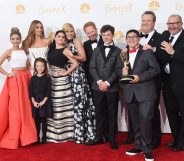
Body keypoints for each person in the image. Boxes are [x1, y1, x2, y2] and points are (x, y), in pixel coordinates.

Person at [122, 29, 160, 161]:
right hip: (130, 93)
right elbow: (118, 71)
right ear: (126, 39)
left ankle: (147, 149)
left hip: (146, 93)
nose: (131, 39)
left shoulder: (146, 52)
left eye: (134, 37)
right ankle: (138, 145)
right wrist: (122, 71)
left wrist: (140, 77)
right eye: (129, 37)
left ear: (138, 38)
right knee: (136, 122)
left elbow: (155, 69)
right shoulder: (123, 53)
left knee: (145, 121)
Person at [0, 27, 37, 149]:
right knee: (15, 109)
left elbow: (27, 65)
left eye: (17, 38)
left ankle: (27, 137)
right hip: (15, 80)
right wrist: (8, 74)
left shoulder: (24, 50)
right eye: (13, 39)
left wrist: (30, 76)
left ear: (20, 39)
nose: (16, 41)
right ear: (10, 40)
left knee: (26, 108)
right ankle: (15, 137)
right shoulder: (8, 52)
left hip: (25, 78)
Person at [88, 25, 122, 150]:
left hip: (111, 88)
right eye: (103, 35)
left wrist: (107, 83)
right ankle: (99, 137)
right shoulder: (97, 50)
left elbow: (118, 70)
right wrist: (99, 82)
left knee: (112, 114)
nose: (106, 37)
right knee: (99, 113)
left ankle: (112, 138)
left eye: (108, 35)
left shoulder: (119, 51)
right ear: (101, 36)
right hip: (97, 87)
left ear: (112, 35)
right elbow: (92, 67)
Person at [62, 23, 96, 144]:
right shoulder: (64, 43)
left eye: (71, 31)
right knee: (73, 104)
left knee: (80, 103)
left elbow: (84, 57)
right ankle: (76, 132)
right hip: (69, 75)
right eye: (67, 31)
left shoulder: (76, 42)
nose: (70, 33)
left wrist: (72, 55)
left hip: (78, 75)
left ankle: (84, 133)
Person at [46, 30, 78, 143]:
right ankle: (53, 134)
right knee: (53, 104)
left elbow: (75, 63)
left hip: (61, 81)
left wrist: (65, 72)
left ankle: (65, 134)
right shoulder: (50, 49)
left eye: (63, 37)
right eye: (59, 36)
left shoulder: (66, 50)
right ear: (54, 37)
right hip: (51, 79)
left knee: (61, 105)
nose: (61, 38)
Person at [158, 14, 184, 151]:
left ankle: (183, 143)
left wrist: (172, 52)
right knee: (172, 112)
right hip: (168, 82)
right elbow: (161, 56)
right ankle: (176, 139)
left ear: (181, 23)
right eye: (169, 23)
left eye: (175, 23)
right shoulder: (165, 35)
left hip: (182, 83)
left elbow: (172, 55)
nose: (171, 26)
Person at [29, 57, 52, 144]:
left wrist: (43, 101)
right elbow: (30, 91)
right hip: (35, 102)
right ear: (35, 67)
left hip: (44, 102)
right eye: (38, 66)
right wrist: (34, 101)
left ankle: (44, 138)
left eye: (42, 66)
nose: (40, 68)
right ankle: (37, 138)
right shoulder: (33, 78)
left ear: (45, 67)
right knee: (37, 122)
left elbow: (48, 91)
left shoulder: (47, 78)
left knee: (44, 121)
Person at [83, 21, 104, 88]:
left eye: (92, 31)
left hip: (105, 79)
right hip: (92, 80)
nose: (90, 34)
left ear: (96, 29)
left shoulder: (106, 39)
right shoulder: (85, 44)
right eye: (88, 33)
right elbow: (86, 63)